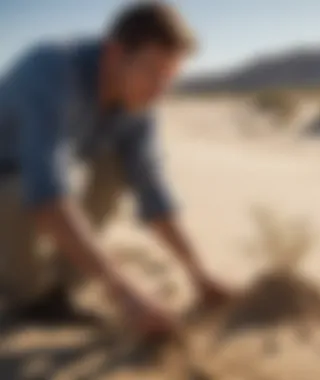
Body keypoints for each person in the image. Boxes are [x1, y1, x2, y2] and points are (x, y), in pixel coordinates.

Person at [0, 1, 230, 336]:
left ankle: (63, 288)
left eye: (169, 77)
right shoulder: (49, 71)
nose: (159, 90)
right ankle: (30, 297)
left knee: (117, 168)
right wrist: (126, 294)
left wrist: (200, 275)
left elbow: (153, 192)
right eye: (152, 71)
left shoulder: (139, 104)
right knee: (20, 190)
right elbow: (46, 193)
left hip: (37, 180)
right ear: (114, 54)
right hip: (10, 175)